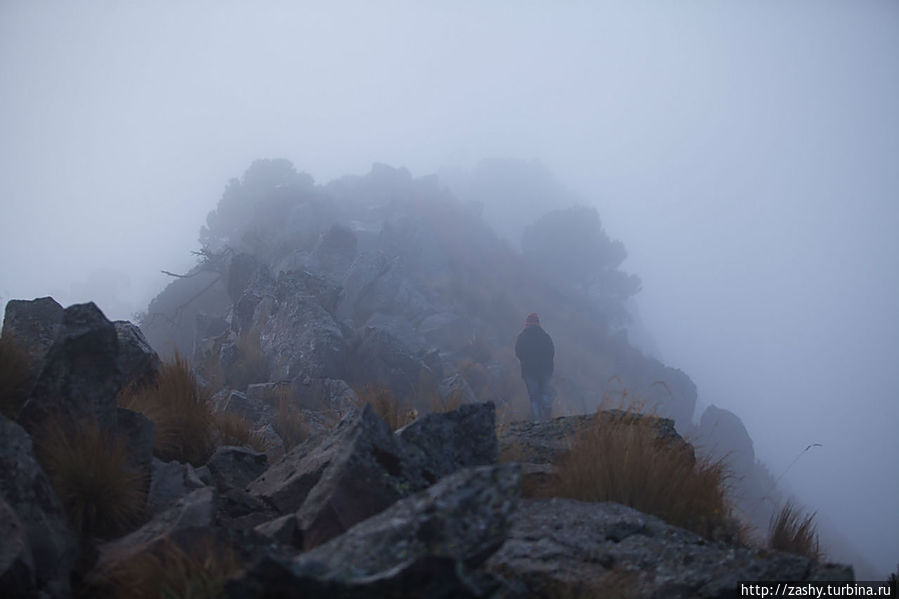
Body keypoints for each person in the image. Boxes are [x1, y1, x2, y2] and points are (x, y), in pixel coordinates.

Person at [515, 313, 555, 420]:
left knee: (534, 397)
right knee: (545, 392)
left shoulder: (522, 337)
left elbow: (518, 352)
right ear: (538, 323)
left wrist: (525, 360)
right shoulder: (545, 336)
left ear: (527, 323)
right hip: (545, 370)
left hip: (529, 371)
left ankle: (537, 420)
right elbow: (551, 352)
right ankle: (547, 412)